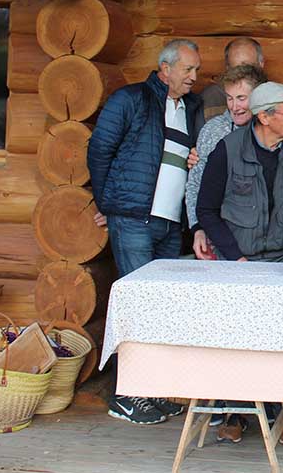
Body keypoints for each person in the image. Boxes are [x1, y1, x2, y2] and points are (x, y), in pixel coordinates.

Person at [87, 38, 203, 426]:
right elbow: (99, 150)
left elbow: (178, 159)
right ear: (165, 68)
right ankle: (126, 394)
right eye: (188, 69)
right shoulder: (132, 99)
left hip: (169, 223)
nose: (194, 76)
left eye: (196, 70)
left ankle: (149, 391)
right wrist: (109, 203)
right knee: (137, 305)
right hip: (134, 218)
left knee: (159, 307)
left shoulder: (190, 107)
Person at [195, 81, 283, 444]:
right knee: (236, 338)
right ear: (264, 117)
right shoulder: (226, 150)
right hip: (239, 262)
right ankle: (234, 410)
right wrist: (237, 258)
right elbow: (207, 210)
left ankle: (280, 411)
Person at [186, 65, 267, 257]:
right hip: (219, 236)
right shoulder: (213, 130)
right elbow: (195, 183)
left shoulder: (271, 130)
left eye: (241, 98)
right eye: (229, 98)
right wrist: (197, 228)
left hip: (264, 243)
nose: (234, 106)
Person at [203, 37, 265, 121]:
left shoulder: (275, 94)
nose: (241, 75)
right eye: (235, 69)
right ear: (227, 68)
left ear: (261, 64)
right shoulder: (211, 97)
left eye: (248, 69)